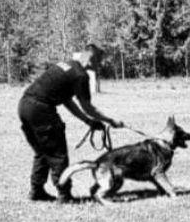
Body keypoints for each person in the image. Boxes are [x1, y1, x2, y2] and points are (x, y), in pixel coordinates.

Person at [18, 43, 124, 202]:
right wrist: (111, 121)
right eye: (99, 61)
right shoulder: (80, 75)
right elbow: (88, 107)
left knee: (43, 152)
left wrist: (87, 121)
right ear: (91, 57)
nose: (100, 66)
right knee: (57, 155)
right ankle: (64, 195)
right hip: (41, 110)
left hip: (25, 106)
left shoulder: (66, 65)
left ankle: (36, 191)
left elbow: (66, 100)